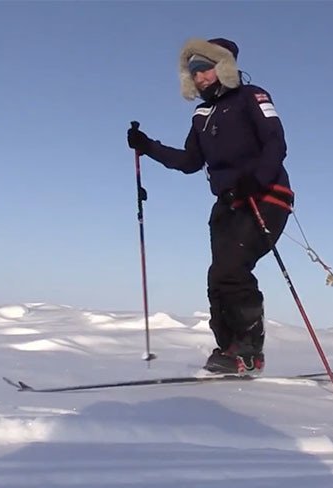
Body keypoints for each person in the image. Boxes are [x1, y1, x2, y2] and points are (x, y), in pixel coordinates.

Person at [126, 37, 293, 375]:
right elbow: (190, 161)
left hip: (265, 196)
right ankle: (229, 349)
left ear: (224, 67)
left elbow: (276, 142)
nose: (199, 77)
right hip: (228, 203)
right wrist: (148, 146)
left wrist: (257, 180)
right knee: (219, 276)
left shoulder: (252, 96)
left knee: (232, 270)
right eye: (193, 72)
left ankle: (249, 353)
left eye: (205, 69)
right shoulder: (201, 114)